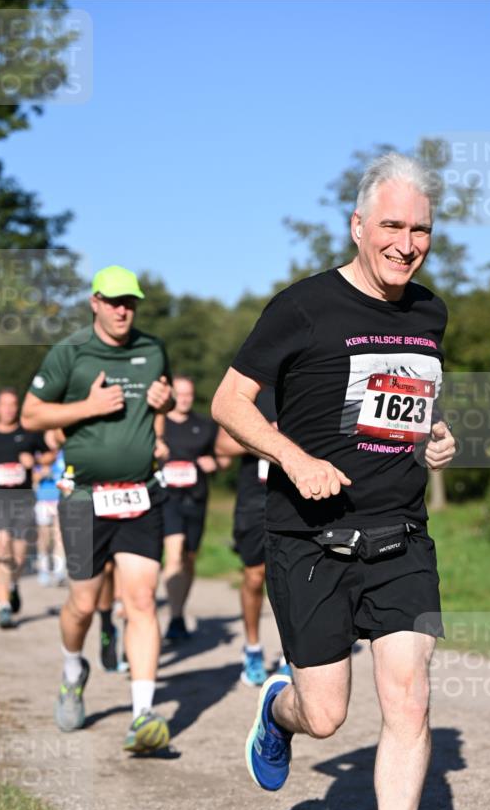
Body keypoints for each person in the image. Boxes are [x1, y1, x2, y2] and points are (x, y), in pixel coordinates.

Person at [212, 153, 456, 810]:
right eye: (391, 225)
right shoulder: (303, 307)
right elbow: (229, 402)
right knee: (326, 717)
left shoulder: (429, 314)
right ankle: (275, 711)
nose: (405, 242)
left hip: (400, 538)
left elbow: (399, 405)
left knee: (409, 702)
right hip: (309, 541)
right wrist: (291, 455)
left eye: (418, 229)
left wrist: (435, 432)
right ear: (357, 226)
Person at [21, 265, 175, 753]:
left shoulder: (152, 350)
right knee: (84, 604)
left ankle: (143, 716)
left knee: (142, 602)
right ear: (94, 302)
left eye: (129, 301)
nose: (122, 309)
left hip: (140, 493)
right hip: (85, 496)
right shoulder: (70, 353)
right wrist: (86, 407)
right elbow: (31, 415)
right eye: (112, 301)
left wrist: (165, 402)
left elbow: (160, 404)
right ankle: (73, 670)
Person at [215, 388, 289, 686]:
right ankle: (253, 649)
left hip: (296, 495)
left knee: (291, 578)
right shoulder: (254, 391)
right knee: (255, 576)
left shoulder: (307, 383)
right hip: (255, 499)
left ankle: (291, 657)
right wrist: (264, 436)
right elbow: (221, 445)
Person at [0, 389, 49, 628]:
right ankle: (3, 607)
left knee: (19, 556)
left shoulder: (29, 432)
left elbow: (50, 455)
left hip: (23, 498)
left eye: (13, 405)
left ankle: (13, 585)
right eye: (5, 405)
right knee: (0, 546)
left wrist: (35, 462)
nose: (9, 409)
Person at [159, 375, 218, 641]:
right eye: (179, 394)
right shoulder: (158, 427)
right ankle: (174, 617)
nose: (184, 399)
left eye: (188, 395)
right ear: (171, 394)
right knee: (174, 554)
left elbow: (222, 457)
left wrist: (214, 463)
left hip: (196, 499)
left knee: (189, 559)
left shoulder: (204, 426)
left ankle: (179, 612)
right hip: (167, 498)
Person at [33, 430, 66, 586]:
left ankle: (59, 571)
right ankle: (44, 569)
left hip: (60, 500)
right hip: (43, 500)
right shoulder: (38, 456)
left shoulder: (65, 455)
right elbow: (31, 477)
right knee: (44, 539)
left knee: (59, 537)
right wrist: (41, 474)